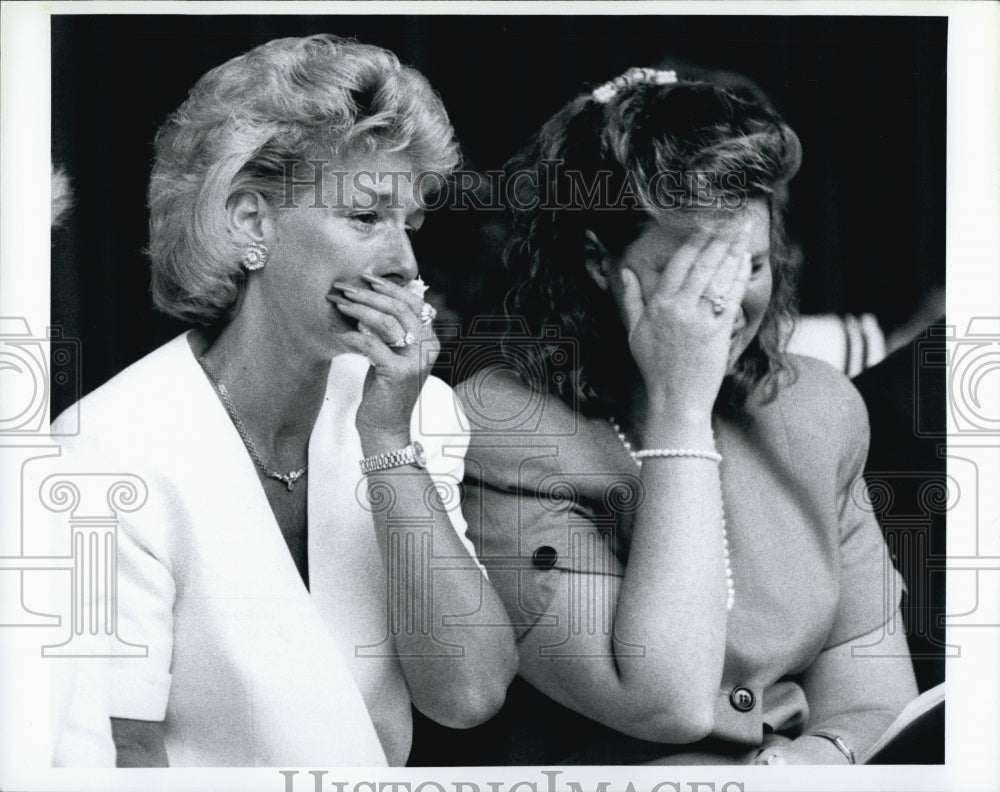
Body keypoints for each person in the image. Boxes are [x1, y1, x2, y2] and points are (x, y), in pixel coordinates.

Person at [50, 34, 516, 767]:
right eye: (366, 218)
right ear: (250, 222)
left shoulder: (417, 411)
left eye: (408, 224)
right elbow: (119, 754)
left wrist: (388, 443)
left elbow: (467, 695)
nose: (404, 263)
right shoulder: (104, 451)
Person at [455, 67, 917, 765]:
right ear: (598, 263)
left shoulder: (816, 407)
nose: (727, 304)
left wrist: (823, 755)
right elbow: (663, 699)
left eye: (752, 265)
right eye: (695, 271)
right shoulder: (500, 432)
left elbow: (871, 686)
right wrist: (679, 412)